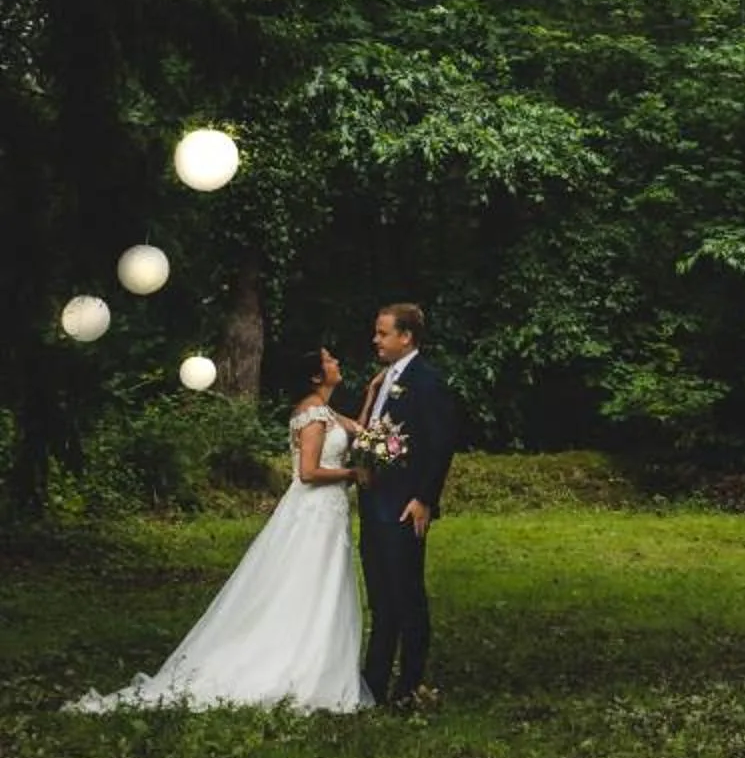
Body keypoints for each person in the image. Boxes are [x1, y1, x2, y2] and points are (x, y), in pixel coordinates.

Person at [67, 340, 371, 712]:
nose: (336, 361)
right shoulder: (312, 415)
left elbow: (362, 431)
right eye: (328, 359)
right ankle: (296, 663)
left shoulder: (326, 410)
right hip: (313, 511)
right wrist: (353, 473)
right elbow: (307, 472)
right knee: (305, 582)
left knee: (324, 584)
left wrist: (372, 395)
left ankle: (323, 661)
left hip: (329, 512)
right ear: (315, 374)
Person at [356, 300, 456, 711]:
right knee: (381, 598)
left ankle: (410, 684)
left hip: (403, 505)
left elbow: (439, 444)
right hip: (374, 503)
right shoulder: (384, 381)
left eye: (383, 333)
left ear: (406, 337)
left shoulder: (427, 382)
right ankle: (374, 682)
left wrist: (424, 499)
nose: (376, 339)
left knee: (407, 595)